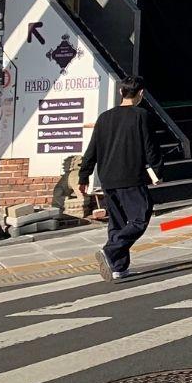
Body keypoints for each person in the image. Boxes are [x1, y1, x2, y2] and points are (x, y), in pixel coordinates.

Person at [78, 77, 164, 282]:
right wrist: (158, 171)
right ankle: (111, 250)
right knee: (140, 217)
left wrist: (84, 175)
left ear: (120, 92)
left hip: (107, 177)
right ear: (140, 94)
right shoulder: (141, 115)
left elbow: (92, 150)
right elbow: (150, 147)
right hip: (131, 176)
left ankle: (118, 267)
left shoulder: (104, 118)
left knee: (116, 222)